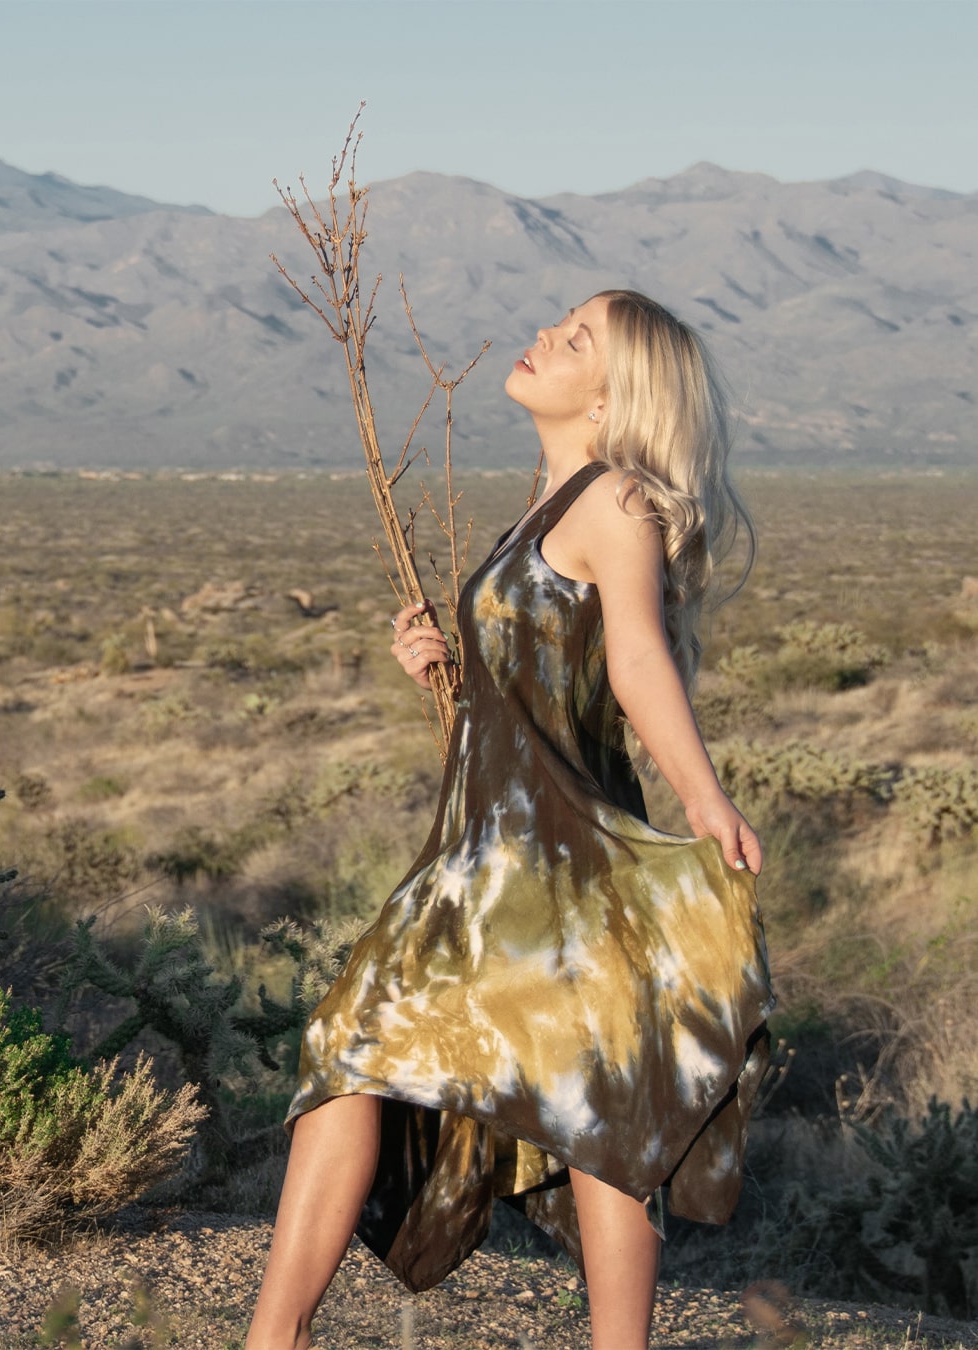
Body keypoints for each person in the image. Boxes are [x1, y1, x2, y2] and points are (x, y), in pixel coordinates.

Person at [246, 289, 774, 1350]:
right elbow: (548, 674)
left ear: (618, 395)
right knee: (360, 1051)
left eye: (578, 340)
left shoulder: (617, 499)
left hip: (553, 862)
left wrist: (704, 796)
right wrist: (445, 674)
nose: (545, 335)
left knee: (588, 1107)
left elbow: (633, 658)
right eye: (561, 321)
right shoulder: (547, 503)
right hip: (480, 861)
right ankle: (274, 1337)